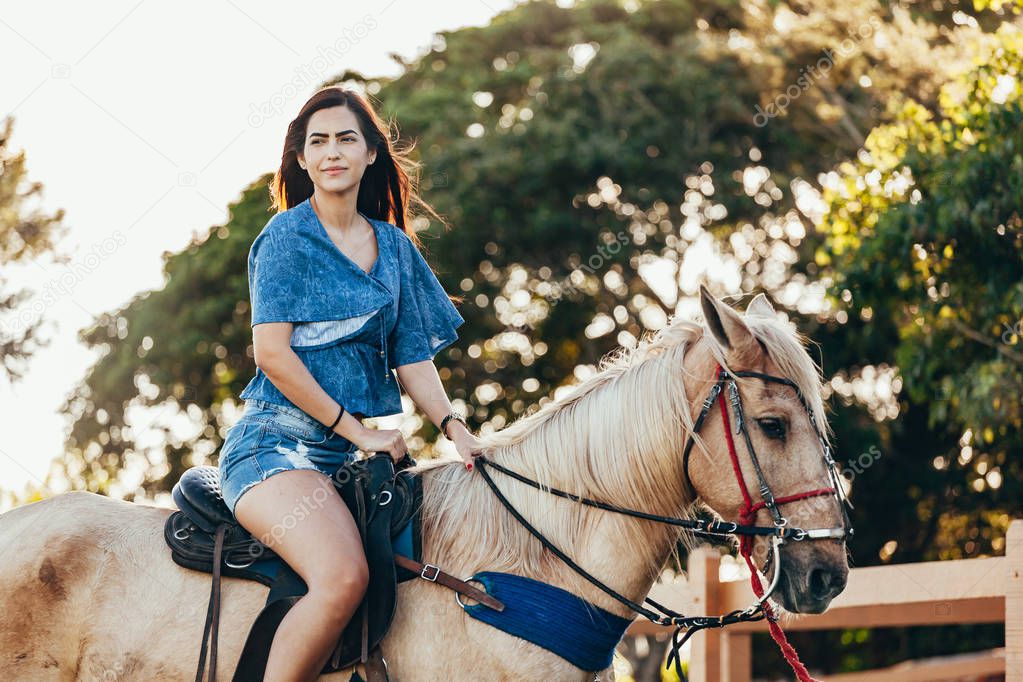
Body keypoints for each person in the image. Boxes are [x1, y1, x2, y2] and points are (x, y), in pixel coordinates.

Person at [217, 86, 483, 682]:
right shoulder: (285, 239)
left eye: (346, 138)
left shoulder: (394, 248)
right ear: (302, 160)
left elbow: (412, 357)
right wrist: (357, 430)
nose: (332, 151)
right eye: (318, 142)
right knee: (343, 576)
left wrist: (455, 429)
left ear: (369, 155)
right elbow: (273, 355)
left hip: (355, 456)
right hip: (275, 446)